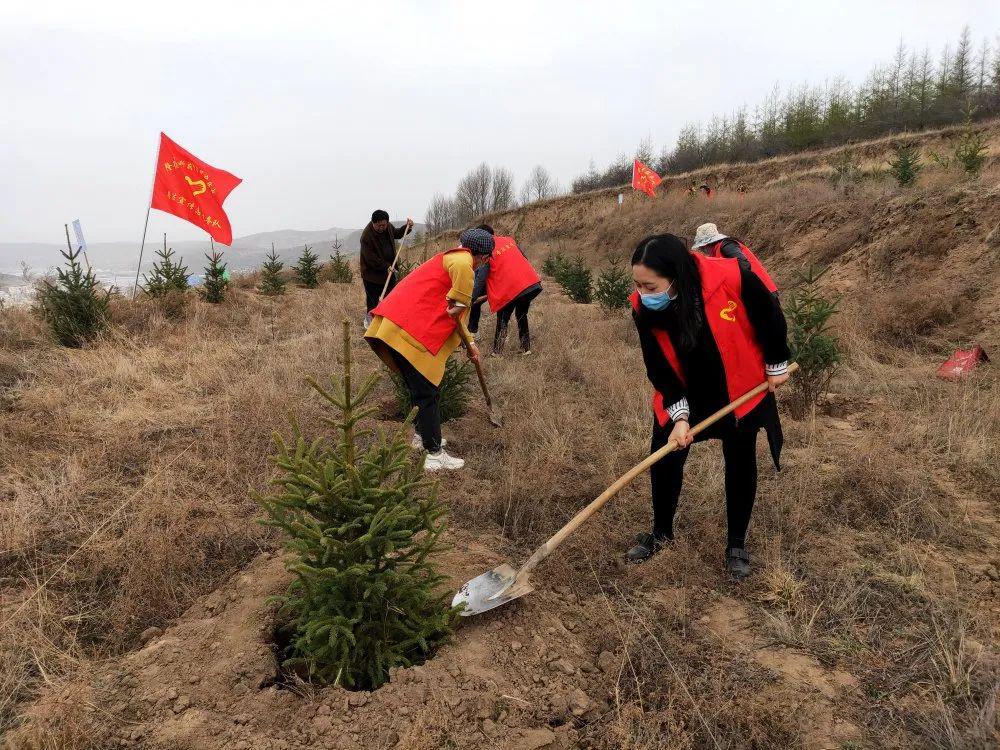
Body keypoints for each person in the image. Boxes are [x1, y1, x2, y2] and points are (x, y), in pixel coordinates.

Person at [627, 233, 790, 578]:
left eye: (651, 286)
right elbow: (657, 365)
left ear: (677, 276)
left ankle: (736, 545)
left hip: (736, 387)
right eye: (638, 285)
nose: (643, 294)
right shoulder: (643, 307)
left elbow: (770, 314)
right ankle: (661, 533)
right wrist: (680, 415)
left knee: (740, 457)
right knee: (665, 456)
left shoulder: (730, 276)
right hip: (685, 389)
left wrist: (776, 364)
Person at [365, 228, 494, 471]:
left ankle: (421, 437)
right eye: (486, 260)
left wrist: (471, 343)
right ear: (484, 257)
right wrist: (461, 300)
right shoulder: (462, 262)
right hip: (408, 332)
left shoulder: (448, 258)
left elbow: (457, 314)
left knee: (418, 391)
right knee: (427, 393)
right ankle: (434, 454)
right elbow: (457, 305)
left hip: (394, 327)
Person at [467, 225, 542, 355]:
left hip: (511, 288)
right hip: (530, 283)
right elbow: (523, 258)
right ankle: (526, 349)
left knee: (503, 318)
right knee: (521, 315)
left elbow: (480, 279)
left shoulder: (487, 250)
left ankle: (497, 352)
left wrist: (470, 298)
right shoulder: (509, 240)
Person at [690, 223, 778, 294]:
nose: (703, 250)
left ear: (708, 244)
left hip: (763, 290)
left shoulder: (726, 245)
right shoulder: (718, 250)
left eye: (702, 247)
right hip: (757, 290)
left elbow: (744, 264)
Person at [359, 209, 414, 322]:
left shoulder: (388, 227)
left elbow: (397, 233)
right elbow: (370, 259)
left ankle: (388, 322)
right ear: (373, 223)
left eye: (383, 225)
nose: (381, 228)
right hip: (372, 276)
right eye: (378, 226)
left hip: (389, 271)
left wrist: (407, 227)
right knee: (373, 302)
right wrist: (385, 266)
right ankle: (372, 324)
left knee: (390, 298)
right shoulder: (366, 237)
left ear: (387, 223)